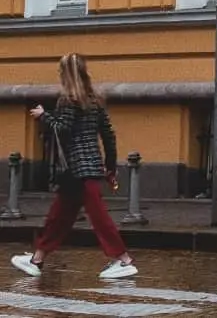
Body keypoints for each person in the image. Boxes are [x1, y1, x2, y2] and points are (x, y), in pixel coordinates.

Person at [10, 54, 136, 280]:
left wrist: (43, 116)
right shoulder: (94, 100)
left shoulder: (67, 100)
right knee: (59, 217)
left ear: (65, 74)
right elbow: (108, 135)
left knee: (98, 218)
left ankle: (123, 259)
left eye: (60, 71)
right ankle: (37, 259)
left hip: (76, 170)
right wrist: (109, 166)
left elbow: (63, 129)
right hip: (89, 168)